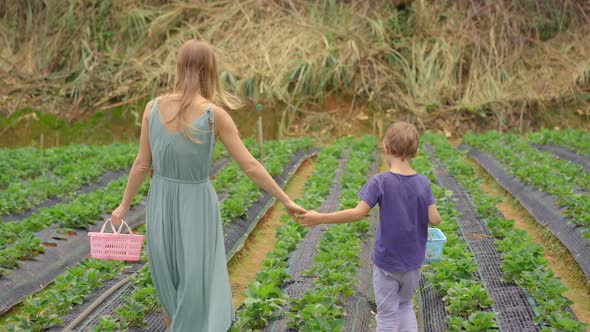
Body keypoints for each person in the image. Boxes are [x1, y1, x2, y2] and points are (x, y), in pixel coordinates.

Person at [110, 39, 306, 331]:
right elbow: (249, 165)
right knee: (194, 280)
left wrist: (124, 205)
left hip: (161, 201)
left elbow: (142, 164)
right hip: (196, 204)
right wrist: (285, 198)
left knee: (168, 280)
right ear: (211, 71)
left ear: (178, 67)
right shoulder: (214, 115)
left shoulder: (152, 109)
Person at [300, 122, 441, 332]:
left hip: (387, 263)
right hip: (413, 262)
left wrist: (320, 217)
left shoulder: (380, 182)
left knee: (385, 316)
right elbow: (435, 219)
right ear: (416, 152)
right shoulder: (423, 183)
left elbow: (357, 213)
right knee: (404, 306)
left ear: (385, 147)